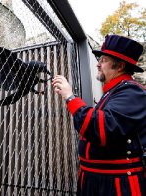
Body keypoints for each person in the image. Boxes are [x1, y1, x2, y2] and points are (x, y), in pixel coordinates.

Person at [52, 34, 146, 196]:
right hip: (98, 179)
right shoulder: (114, 91)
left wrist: (70, 97)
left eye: (103, 60)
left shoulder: (132, 91)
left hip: (117, 184)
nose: (98, 64)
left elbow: (101, 129)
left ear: (120, 66)